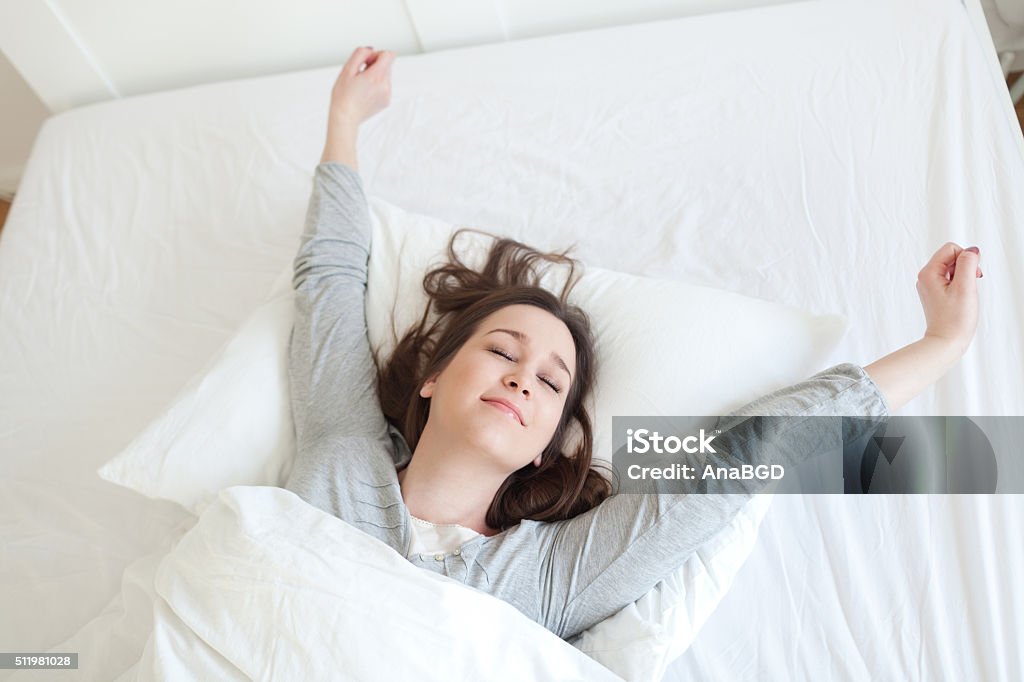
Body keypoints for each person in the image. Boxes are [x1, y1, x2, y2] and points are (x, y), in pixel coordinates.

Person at [285, 47, 983, 640]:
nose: (524, 378)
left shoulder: (552, 575)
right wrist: (344, 124)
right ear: (434, 376)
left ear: (544, 446)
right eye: (501, 351)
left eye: (552, 384)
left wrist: (941, 344)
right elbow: (331, 280)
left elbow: (738, 460)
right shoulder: (342, 448)